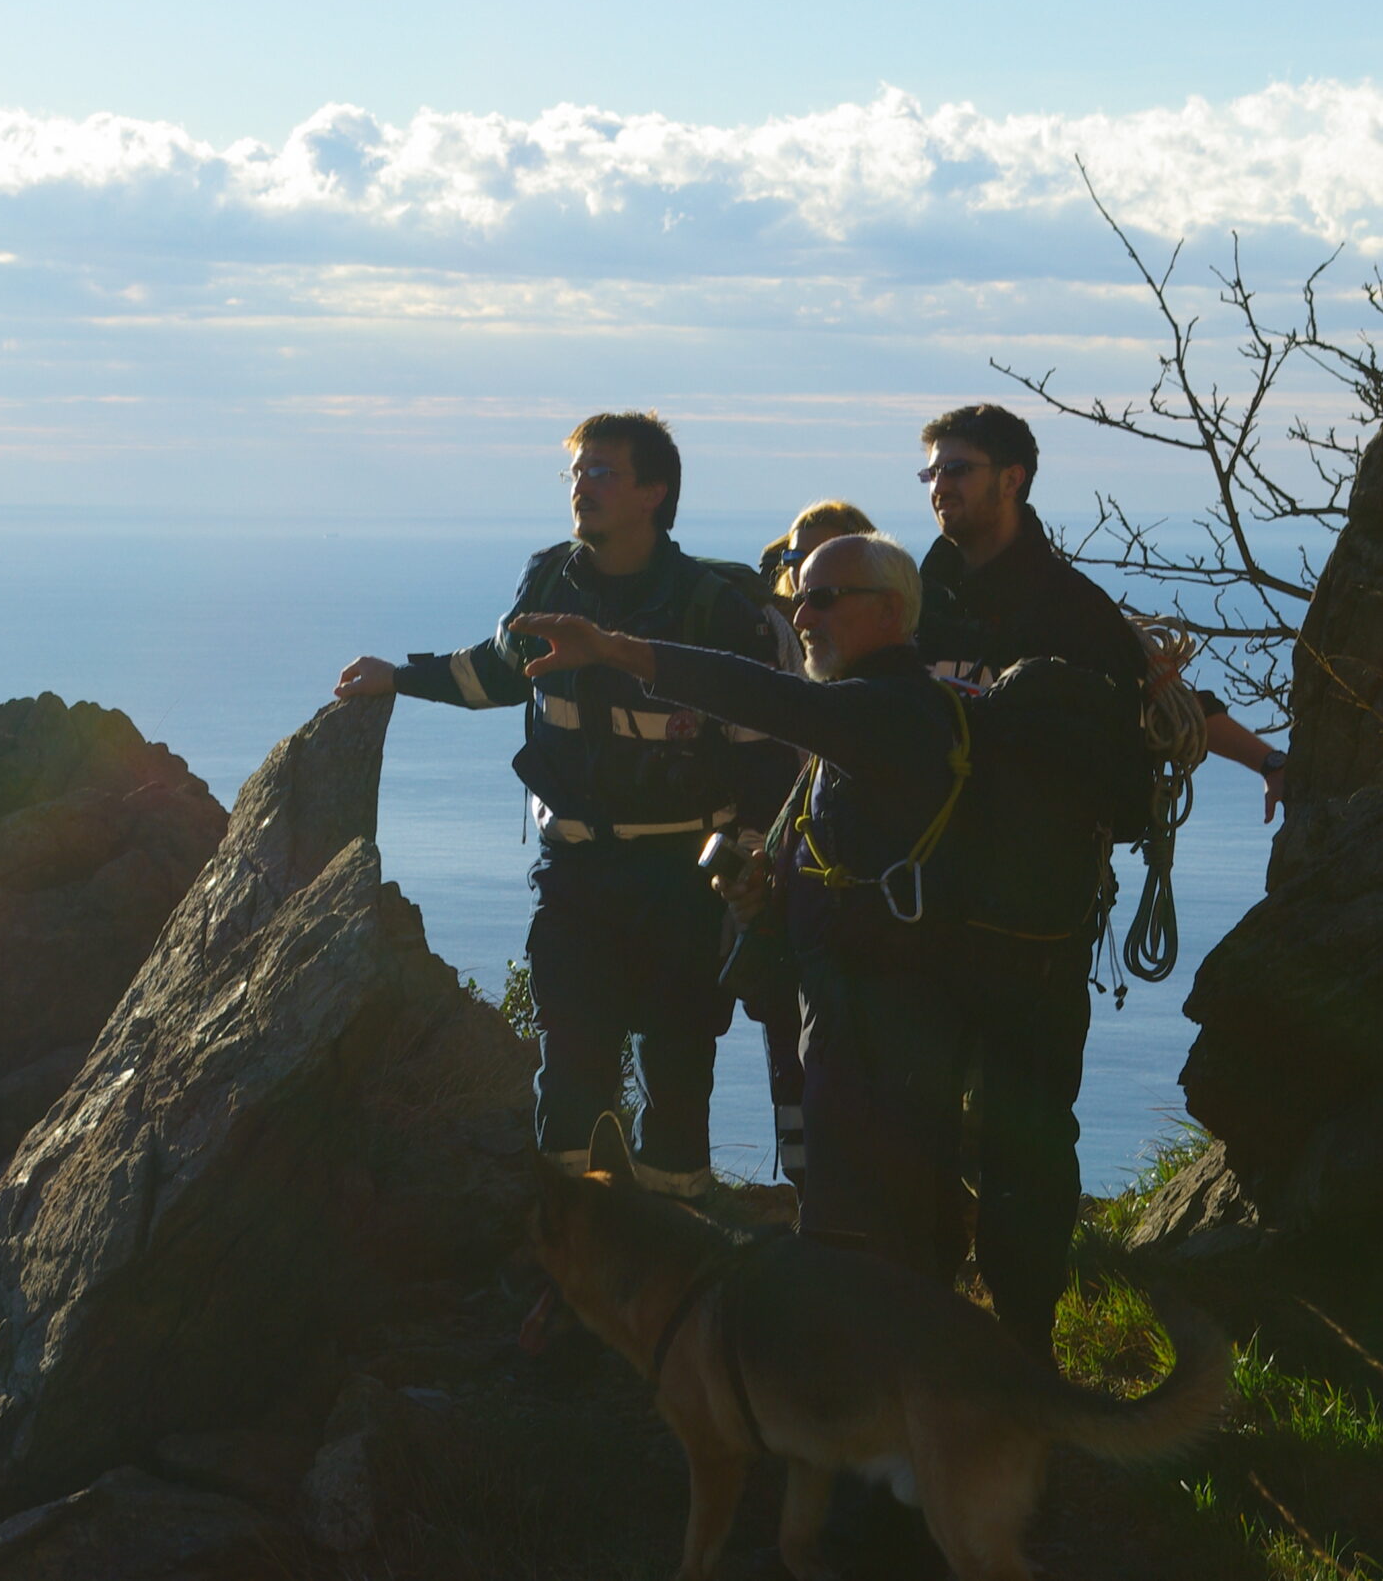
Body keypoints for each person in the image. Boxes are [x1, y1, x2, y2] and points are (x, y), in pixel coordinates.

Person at [910, 400, 1289, 1358]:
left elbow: (1166, 702)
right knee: (910, 1121)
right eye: (932, 473)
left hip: (1035, 921)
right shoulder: (927, 594)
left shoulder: (1072, 610)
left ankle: (1025, 1345)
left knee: (1026, 1140)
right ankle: (920, 1329)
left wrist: (1269, 763)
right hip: (928, 910)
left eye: (957, 469)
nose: (940, 487)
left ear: (1012, 479)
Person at [334, 411, 793, 1200]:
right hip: (575, 869)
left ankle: (675, 1231)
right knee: (572, 1052)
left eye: (603, 471)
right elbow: (498, 671)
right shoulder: (552, 579)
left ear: (655, 492)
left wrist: (750, 857)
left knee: (677, 1058)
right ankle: (564, 1251)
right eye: (577, 472)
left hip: (684, 878)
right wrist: (399, 676)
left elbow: (766, 754)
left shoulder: (711, 609)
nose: (583, 486)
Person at [511, 532, 965, 1279]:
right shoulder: (865, 712)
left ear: (890, 610)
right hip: (846, 994)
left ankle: (894, 1357)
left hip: (883, 1003)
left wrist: (618, 650)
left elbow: (761, 695)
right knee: (850, 1191)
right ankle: (866, 1336)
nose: (802, 617)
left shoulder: (889, 711)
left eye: (822, 599)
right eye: (799, 597)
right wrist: (770, 881)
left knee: (877, 1199)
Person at [739, 497, 878, 1191]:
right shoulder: (761, 645)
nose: (804, 583)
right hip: (785, 886)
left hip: (866, 897)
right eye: (797, 564)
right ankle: (807, 1198)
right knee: (786, 1052)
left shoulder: (886, 672)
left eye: (826, 574)